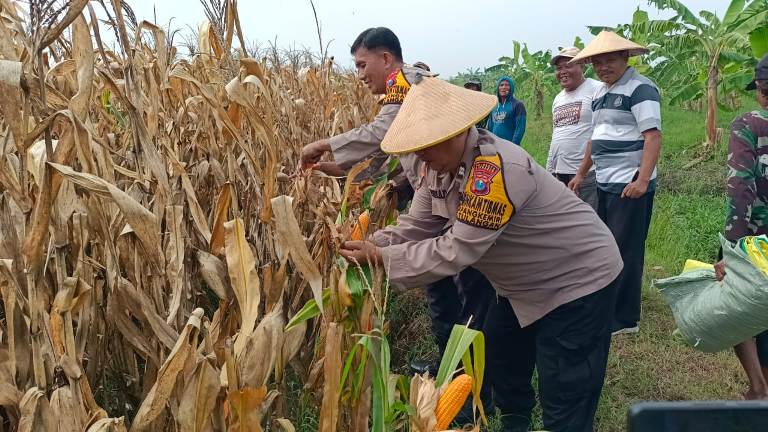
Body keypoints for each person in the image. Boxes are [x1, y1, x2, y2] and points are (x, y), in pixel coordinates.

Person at [340, 76, 623, 432]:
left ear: (457, 132)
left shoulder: (494, 170)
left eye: (426, 145)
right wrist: (371, 242)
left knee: (565, 384)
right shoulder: (437, 169)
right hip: (521, 283)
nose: (419, 155)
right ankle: (514, 422)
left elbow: (457, 249)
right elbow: (418, 225)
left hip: (577, 277)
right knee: (502, 354)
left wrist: (381, 259)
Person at [299, 27, 495, 376]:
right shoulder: (408, 85)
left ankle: (474, 377)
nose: (360, 75)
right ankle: (453, 367)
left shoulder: (404, 80)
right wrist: (338, 168)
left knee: (463, 286)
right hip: (432, 195)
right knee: (442, 288)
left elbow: (380, 133)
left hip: (448, 194)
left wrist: (325, 144)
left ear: (386, 58)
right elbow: (385, 152)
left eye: (362, 65)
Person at [568, 31, 662, 335]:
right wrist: (582, 174)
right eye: (597, 62)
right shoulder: (600, 93)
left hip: (629, 184)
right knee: (606, 246)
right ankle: (609, 306)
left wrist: (643, 180)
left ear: (626, 57)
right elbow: (595, 139)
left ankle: (625, 318)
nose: (603, 66)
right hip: (605, 182)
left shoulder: (641, 88)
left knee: (626, 249)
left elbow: (652, 136)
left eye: (609, 60)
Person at [714, 53, 768, 400]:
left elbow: (740, 185)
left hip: (756, 237)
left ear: (761, 88)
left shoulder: (749, 123)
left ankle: (758, 387)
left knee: (739, 301)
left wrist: (733, 247)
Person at [547, 46, 601, 211]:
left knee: (588, 220)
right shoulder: (558, 98)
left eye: (568, 65)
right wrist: (549, 170)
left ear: (582, 65)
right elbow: (556, 134)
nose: (563, 71)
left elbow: (599, 134)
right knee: (563, 219)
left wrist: (581, 173)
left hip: (586, 173)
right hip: (559, 172)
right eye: (559, 68)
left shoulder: (597, 89)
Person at [486, 76, 526, 145]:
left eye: (507, 85)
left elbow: (520, 129)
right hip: (495, 146)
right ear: (498, 88)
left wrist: (514, 145)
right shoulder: (494, 106)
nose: (504, 87)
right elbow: (490, 127)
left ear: (511, 88)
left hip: (510, 146)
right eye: (501, 85)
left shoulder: (518, 105)